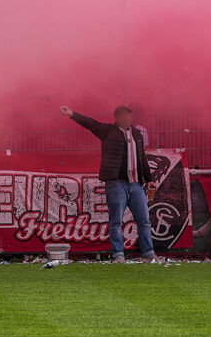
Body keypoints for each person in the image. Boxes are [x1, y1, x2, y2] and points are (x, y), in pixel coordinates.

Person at [60, 104, 158, 263]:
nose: (128, 119)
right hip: (116, 183)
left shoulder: (137, 135)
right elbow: (90, 123)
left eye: (129, 116)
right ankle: (118, 254)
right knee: (116, 221)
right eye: (125, 116)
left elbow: (143, 160)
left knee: (144, 219)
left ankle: (148, 253)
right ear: (117, 118)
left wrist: (150, 179)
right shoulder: (108, 131)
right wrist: (72, 114)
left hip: (136, 184)